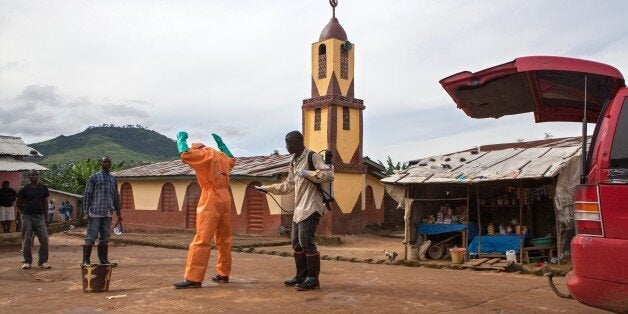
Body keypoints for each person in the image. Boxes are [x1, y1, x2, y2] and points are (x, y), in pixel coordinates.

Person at [255, 131, 334, 291]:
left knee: (307, 242)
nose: (286, 146)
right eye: (286, 143)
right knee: (296, 243)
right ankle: (301, 276)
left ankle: (313, 279)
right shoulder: (293, 161)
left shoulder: (312, 156)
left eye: (288, 143)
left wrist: (308, 173)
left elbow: (328, 174)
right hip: (299, 208)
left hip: (311, 206)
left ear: (298, 142)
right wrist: (267, 188)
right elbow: (288, 185)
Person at [174, 132, 236, 289]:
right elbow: (232, 159)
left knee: (202, 237)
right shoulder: (220, 155)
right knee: (224, 237)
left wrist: (181, 139)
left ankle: (194, 278)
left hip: (210, 196)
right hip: (225, 196)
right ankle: (224, 273)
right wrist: (222, 144)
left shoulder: (203, 154)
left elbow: (184, 155)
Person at [82, 156, 122, 266]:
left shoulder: (113, 179)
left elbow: (115, 197)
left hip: (108, 212)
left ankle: (104, 261)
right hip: (95, 212)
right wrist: (86, 212)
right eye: (105, 162)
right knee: (91, 237)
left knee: (105, 237)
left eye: (109, 162)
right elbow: (87, 195)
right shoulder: (94, 177)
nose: (107, 163)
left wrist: (119, 213)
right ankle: (86, 261)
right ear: (101, 163)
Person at [15, 170, 52, 269]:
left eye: (36, 175)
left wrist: (46, 216)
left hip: (40, 216)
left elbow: (45, 203)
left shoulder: (43, 188)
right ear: (29, 177)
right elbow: (17, 203)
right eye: (32, 175)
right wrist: (24, 212)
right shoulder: (24, 189)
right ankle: (27, 262)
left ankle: (43, 261)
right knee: (27, 239)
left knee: (44, 238)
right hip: (27, 216)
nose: (35, 177)